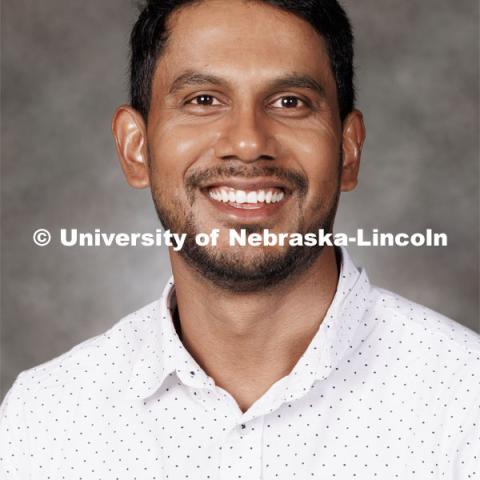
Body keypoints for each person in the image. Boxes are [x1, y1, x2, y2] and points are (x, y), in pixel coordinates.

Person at [1, 0, 479, 478]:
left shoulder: (466, 402)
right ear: (136, 148)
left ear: (348, 151)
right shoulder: (43, 420)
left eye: (290, 102)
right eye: (203, 100)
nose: (249, 143)